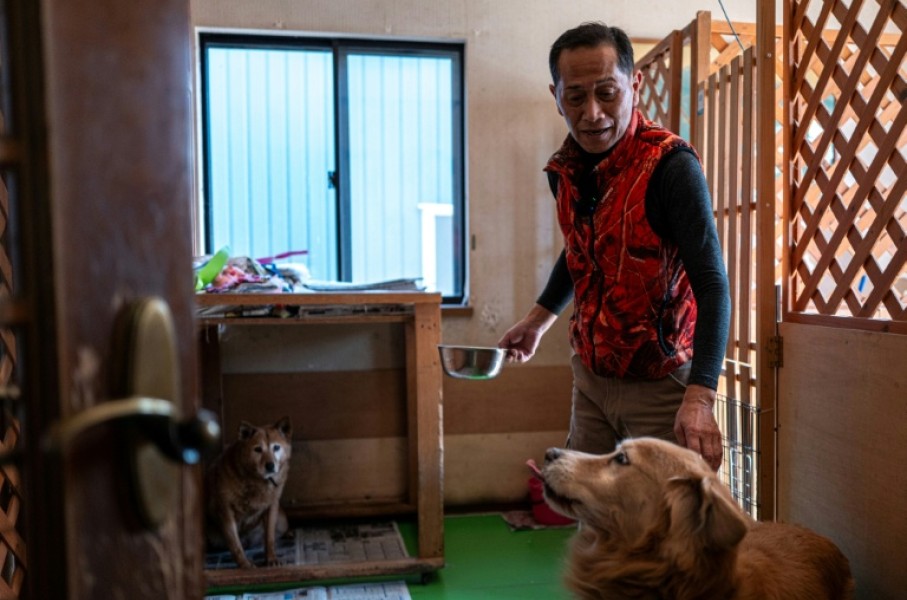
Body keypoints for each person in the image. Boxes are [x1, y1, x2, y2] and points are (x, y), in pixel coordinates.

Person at [498, 21, 730, 470]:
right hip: (591, 381)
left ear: (634, 85)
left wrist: (700, 397)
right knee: (588, 508)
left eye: (607, 93)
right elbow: (582, 251)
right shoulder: (565, 170)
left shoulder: (671, 167)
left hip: (664, 387)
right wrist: (538, 320)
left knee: (664, 514)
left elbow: (712, 283)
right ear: (556, 97)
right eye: (575, 97)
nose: (592, 113)